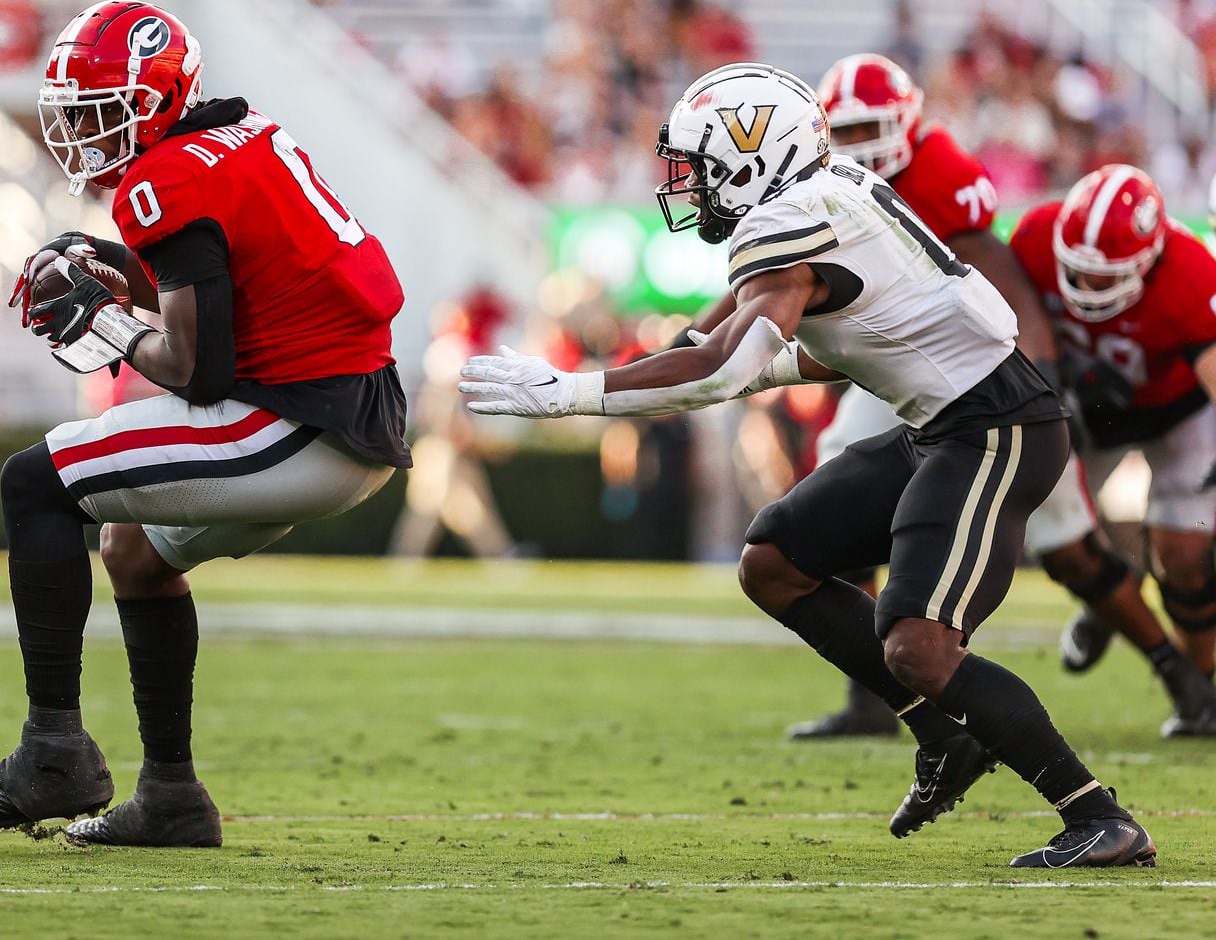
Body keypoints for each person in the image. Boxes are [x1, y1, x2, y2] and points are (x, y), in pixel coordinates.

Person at [460, 62, 1156, 868]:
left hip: (996, 426)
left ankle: (1097, 813)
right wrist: (646, 375)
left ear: (754, 159)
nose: (689, 184)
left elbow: (720, 369)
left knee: (919, 646)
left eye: (701, 166)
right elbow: (744, 347)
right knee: (773, 560)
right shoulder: (827, 194)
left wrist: (568, 393)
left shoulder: (788, 221)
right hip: (945, 420)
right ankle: (942, 736)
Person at [0, 1, 411, 847]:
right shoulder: (240, 133)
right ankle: (172, 797)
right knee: (134, 551)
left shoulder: (163, 179)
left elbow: (199, 370)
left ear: (151, 98)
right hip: (346, 405)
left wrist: (106, 319)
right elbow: (227, 294)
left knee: (32, 483)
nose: (83, 128)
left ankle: (53, 753)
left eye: (99, 106)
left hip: (294, 422)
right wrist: (124, 280)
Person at [691, 52, 1064, 740]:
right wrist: (699, 338)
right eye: (849, 131)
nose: (861, 145)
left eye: (873, 129)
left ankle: (1158, 663)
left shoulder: (942, 170)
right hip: (883, 360)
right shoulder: (818, 182)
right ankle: (883, 691)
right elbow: (765, 278)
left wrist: (1041, 364)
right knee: (833, 478)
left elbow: (991, 261)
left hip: (966, 370)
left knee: (1065, 532)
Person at [1008, 165, 1216, 737]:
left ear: (1150, 260)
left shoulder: (1191, 271)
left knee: (1185, 553)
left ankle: (1199, 690)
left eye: (1106, 278)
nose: (1088, 288)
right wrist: (1061, 366)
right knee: (1056, 539)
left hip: (1179, 411)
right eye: (1078, 272)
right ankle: (1115, 600)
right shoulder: (1033, 237)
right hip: (1086, 410)